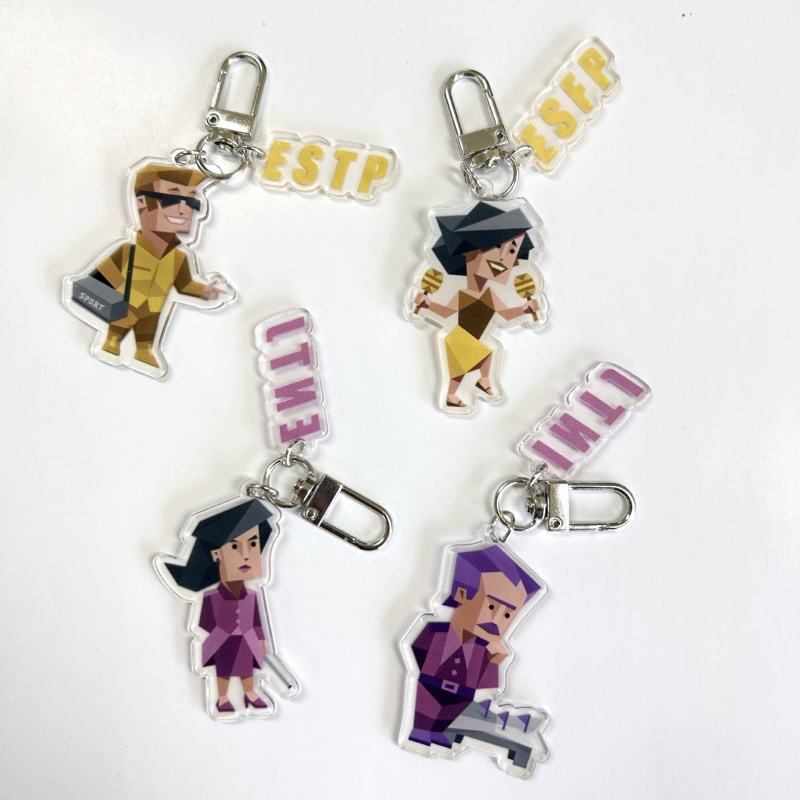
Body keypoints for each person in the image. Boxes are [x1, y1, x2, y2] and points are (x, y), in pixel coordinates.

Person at [68, 160, 231, 374]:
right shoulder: (129, 251)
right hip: (124, 306)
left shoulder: (179, 258)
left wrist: (206, 291)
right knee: (120, 323)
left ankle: (144, 351)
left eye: (192, 203)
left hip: (154, 309)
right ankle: (112, 341)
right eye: (172, 200)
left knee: (147, 333)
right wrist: (105, 295)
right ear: (143, 203)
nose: (183, 210)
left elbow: (185, 286)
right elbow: (105, 276)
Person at [406, 544, 542, 748]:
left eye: (507, 615)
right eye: (491, 606)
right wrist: (430, 672)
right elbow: (417, 650)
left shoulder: (483, 652)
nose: (496, 620)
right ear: (462, 594)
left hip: (462, 695)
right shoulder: (435, 632)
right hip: (430, 686)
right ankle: (422, 730)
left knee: (449, 716)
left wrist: (494, 660)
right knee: (427, 712)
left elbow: (485, 684)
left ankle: (441, 733)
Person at [413, 202, 544, 409]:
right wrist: (427, 306)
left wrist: (525, 310)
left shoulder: (490, 295)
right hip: (458, 337)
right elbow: (447, 312)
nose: (504, 257)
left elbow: (505, 315)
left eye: (512, 251)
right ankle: (461, 391)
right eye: (498, 246)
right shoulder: (463, 293)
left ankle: (476, 385)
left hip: (469, 338)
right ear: (469, 252)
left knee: (480, 358)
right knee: (464, 368)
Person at [161, 499, 275, 715]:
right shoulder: (212, 596)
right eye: (234, 546)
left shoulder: (251, 595)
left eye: (253, 545)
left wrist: (260, 638)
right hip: (222, 641)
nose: (245, 555)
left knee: (247, 668)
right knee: (224, 670)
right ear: (216, 555)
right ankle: (222, 698)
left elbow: (257, 620)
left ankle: (249, 693)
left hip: (247, 640)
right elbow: (204, 621)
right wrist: (222, 631)